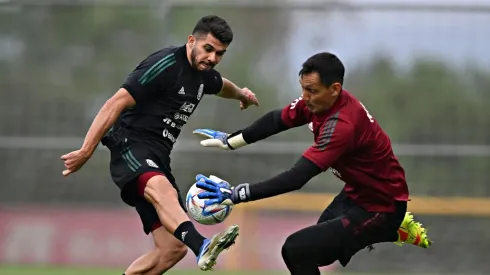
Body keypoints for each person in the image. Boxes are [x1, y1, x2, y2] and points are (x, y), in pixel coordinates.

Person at [192, 52, 431, 275]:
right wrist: (232, 141)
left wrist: (237, 194)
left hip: (382, 208)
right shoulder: (320, 102)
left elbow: (297, 177)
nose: (305, 98)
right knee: (314, 253)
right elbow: (278, 120)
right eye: (303, 89)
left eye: (312, 91)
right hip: (356, 194)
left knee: (296, 249)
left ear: (335, 89)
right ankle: (391, 230)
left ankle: (390, 227)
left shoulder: (342, 125)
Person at [60, 15, 260, 274]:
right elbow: (115, 102)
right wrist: (87, 150)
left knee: (172, 249)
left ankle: (192, 246)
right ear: (191, 41)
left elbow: (222, 86)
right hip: (130, 146)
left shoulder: (204, 75)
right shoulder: (165, 64)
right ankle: (202, 246)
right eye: (207, 49)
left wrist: (241, 94)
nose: (212, 58)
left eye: (219, 54)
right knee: (162, 189)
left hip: (158, 157)